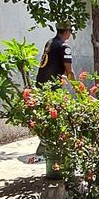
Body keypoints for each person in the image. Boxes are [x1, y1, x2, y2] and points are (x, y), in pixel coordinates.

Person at [35, 23, 75, 155]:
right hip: (53, 87)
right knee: (56, 115)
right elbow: (69, 71)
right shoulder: (64, 47)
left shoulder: (50, 42)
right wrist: (78, 88)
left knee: (46, 114)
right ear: (67, 31)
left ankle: (45, 143)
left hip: (41, 84)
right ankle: (50, 145)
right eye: (70, 31)